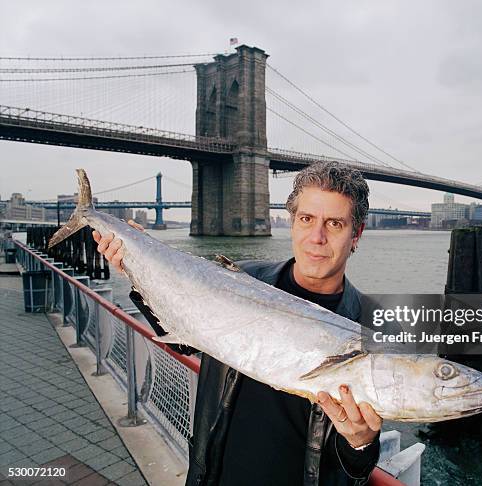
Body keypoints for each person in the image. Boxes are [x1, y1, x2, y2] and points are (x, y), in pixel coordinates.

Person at [93, 162, 382, 486]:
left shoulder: (372, 330)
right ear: (292, 223)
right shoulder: (241, 279)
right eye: (306, 219)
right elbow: (183, 341)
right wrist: (140, 272)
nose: (316, 237)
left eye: (334, 223)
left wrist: (362, 442)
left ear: (355, 234)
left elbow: (354, 468)